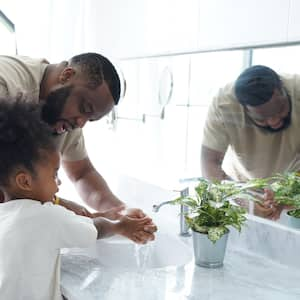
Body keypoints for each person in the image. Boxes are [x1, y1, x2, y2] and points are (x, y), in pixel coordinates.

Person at [0, 99, 153, 300]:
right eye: (54, 174)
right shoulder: (44, 216)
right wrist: (120, 226)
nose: (59, 183)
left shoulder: (6, 214)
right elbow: (94, 228)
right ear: (25, 181)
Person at [0, 53, 156, 243]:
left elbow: (82, 173)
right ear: (66, 76)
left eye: (90, 119)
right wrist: (56, 204)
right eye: (84, 107)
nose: (81, 124)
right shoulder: (6, 81)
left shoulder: (66, 119)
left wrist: (120, 211)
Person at [201, 65, 300, 220]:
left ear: (283, 89)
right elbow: (210, 163)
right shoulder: (223, 104)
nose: (274, 122)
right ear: (245, 110)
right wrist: (243, 200)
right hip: (243, 184)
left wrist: (288, 193)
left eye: (280, 110)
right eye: (262, 118)